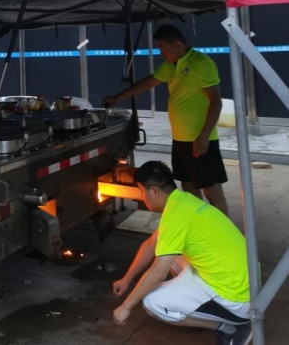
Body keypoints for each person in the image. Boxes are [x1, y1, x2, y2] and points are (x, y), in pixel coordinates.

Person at [112, 161, 251, 345]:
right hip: (246, 284)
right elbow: (152, 244)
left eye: (141, 191)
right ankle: (197, 306)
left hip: (237, 300)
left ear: (154, 191)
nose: (141, 197)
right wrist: (127, 279)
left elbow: (158, 273)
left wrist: (126, 306)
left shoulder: (175, 216)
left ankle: (228, 328)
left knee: (153, 303)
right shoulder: (184, 201)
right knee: (172, 252)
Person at [102, 24, 229, 216]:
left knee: (211, 190)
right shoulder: (171, 65)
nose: (161, 53)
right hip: (180, 140)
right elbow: (148, 82)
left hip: (201, 140)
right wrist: (119, 97)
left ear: (177, 44)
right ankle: (198, 227)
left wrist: (203, 136)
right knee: (188, 187)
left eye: (162, 47)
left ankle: (222, 233)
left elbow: (216, 102)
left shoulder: (201, 63)